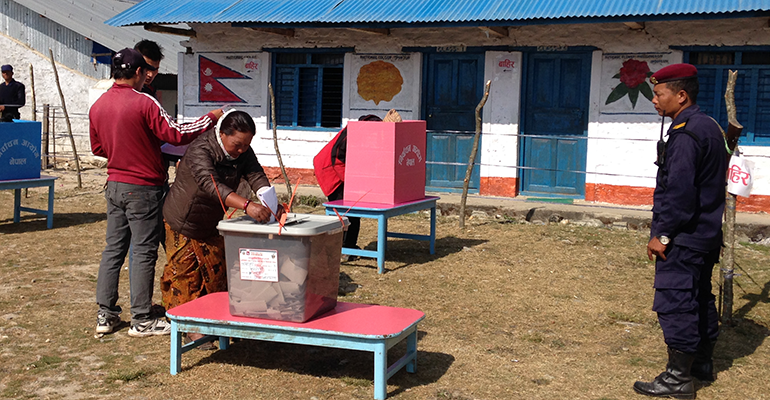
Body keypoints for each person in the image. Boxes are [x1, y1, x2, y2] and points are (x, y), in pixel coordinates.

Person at [89, 48, 224, 338]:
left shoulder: (99, 105)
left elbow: (97, 149)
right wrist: (211, 117)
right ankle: (141, 319)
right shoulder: (144, 102)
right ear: (138, 72)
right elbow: (175, 133)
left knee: (113, 249)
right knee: (143, 250)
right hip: (143, 188)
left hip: (114, 185)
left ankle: (106, 313)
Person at [633, 63, 728, 399]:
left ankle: (677, 378)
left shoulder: (687, 133)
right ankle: (700, 363)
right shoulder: (707, 125)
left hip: (684, 237)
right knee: (699, 297)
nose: (655, 100)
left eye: (659, 94)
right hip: (705, 234)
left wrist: (663, 234)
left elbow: (679, 193)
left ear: (681, 95)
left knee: (676, 301)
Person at [161, 109, 281, 345]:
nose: (241, 150)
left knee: (217, 272)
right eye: (237, 144)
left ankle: (215, 320)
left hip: (211, 222)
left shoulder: (242, 151)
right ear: (222, 134)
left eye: (246, 145)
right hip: (184, 220)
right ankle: (191, 326)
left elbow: (255, 173)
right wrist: (247, 205)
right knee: (185, 274)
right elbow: (211, 184)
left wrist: (270, 200)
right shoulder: (201, 150)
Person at [313, 114, 382, 261]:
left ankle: (347, 246)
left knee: (352, 213)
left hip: (341, 170)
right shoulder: (351, 133)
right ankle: (344, 249)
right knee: (348, 212)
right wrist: (352, 183)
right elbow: (336, 158)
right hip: (330, 170)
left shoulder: (364, 134)